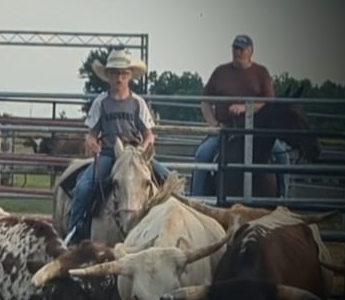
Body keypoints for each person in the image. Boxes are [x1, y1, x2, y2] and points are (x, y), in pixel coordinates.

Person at [66, 49, 171, 243]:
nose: (119, 78)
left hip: (135, 155)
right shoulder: (101, 102)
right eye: (115, 73)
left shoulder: (138, 103)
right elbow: (91, 134)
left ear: (130, 76)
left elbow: (149, 135)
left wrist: (143, 149)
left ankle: (170, 227)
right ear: (108, 76)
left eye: (123, 73)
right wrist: (92, 143)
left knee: (168, 179)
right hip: (109, 154)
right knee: (83, 187)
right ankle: (75, 232)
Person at [192, 34, 290, 198]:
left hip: (256, 130)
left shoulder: (261, 73)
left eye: (242, 49)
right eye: (235, 48)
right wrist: (214, 124)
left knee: (282, 157)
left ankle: (284, 198)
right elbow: (205, 101)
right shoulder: (220, 72)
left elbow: (269, 103)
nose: (238, 52)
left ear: (250, 51)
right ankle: (197, 199)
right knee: (203, 154)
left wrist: (246, 108)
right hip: (226, 128)